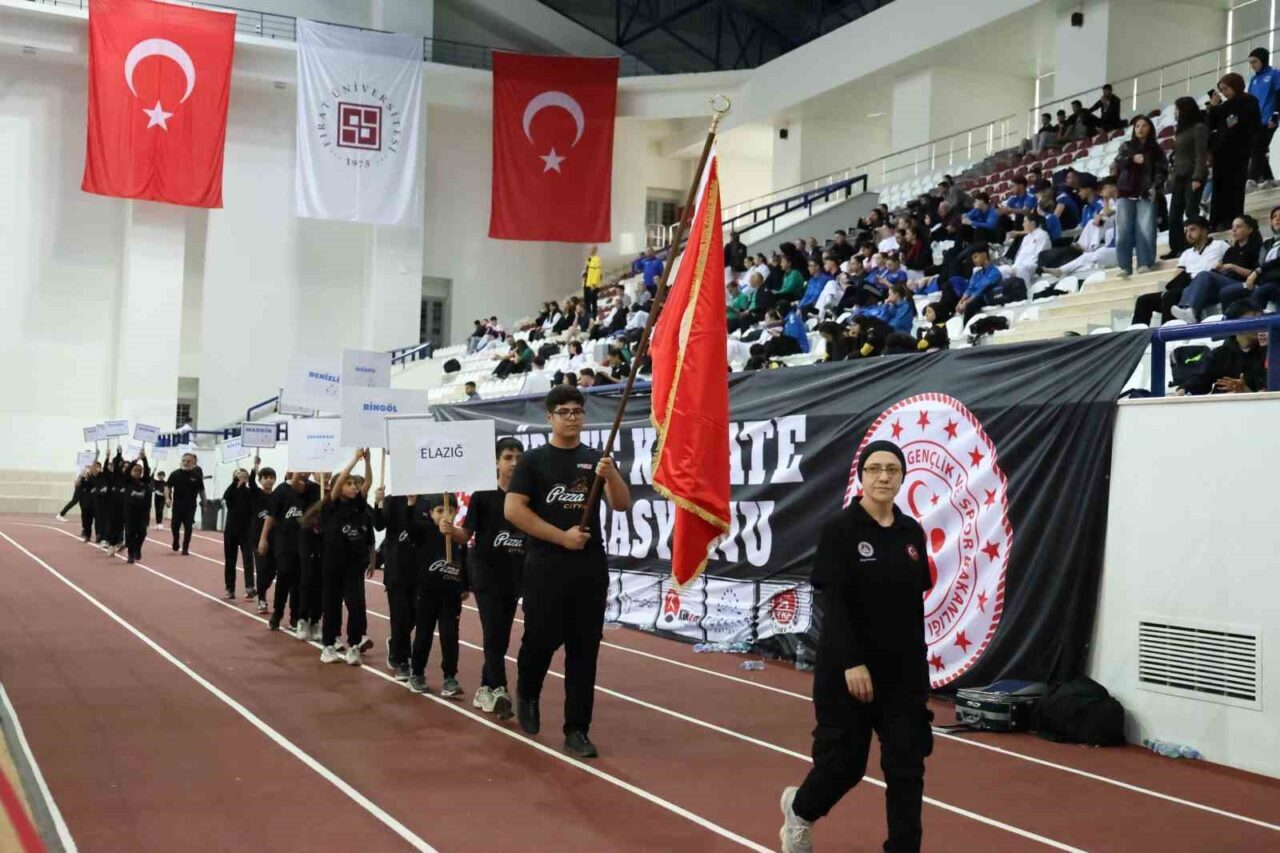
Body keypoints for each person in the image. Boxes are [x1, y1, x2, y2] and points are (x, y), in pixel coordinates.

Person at [779, 440, 933, 853]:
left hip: (902, 675)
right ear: (861, 475)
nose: (884, 477)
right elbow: (835, 603)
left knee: (906, 767)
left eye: (892, 470)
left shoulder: (911, 533)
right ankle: (800, 811)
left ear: (902, 477)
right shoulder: (840, 531)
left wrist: (919, 673)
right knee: (844, 765)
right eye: (875, 469)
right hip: (848, 672)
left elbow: (912, 607)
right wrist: (852, 662)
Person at [506, 386, 631, 759]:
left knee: (584, 648)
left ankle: (577, 729)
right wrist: (561, 537)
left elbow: (622, 504)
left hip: (589, 567)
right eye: (564, 412)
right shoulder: (533, 461)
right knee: (541, 639)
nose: (572, 417)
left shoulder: (596, 459)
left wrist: (611, 476)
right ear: (550, 417)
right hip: (546, 564)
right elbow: (514, 510)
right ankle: (528, 692)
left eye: (577, 411)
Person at [443, 438, 525, 719]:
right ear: (496, 461)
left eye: (518, 457)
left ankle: (484, 687)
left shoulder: (527, 496)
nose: (514, 463)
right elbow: (465, 535)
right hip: (485, 571)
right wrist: (449, 530)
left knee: (502, 634)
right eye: (508, 457)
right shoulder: (483, 495)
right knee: (492, 630)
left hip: (514, 572)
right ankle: (500, 688)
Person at [408, 498, 468, 697]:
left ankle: (450, 677)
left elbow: (464, 562)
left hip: (451, 594)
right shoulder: (425, 533)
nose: (445, 515)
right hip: (427, 593)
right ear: (431, 513)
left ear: (455, 512)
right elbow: (410, 528)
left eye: (449, 510)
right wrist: (410, 504)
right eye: (440, 511)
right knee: (423, 634)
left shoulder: (458, 537)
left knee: (450, 635)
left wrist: (465, 586)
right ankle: (417, 673)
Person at [320, 450, 375, 666]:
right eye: (349, 484)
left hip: (354, 565)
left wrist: (367, 461)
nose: (354, 487)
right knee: (331, 605)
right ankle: (328, 645)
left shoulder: (358, 505)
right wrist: (353, 460)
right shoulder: (331, 506)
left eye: (354, 484)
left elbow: (368, 483)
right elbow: (337, 484)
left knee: (356, 605)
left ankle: (353, 646)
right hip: (333, 564)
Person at [1131, 217, 1227, 326]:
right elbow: (1178, 274)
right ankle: (1137, 333)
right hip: (1185, 287)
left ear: (1204, 231)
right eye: (1186, 231)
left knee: (1171, 296)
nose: (1188, 234)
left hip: (1207, 287)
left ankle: (1170, 332)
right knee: (1144, 300)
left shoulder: (1220, 245)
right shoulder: (1186, 253)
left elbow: (1229, 265)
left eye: (1192, 230)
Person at [1174, 214, 1262, 322]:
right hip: (1227, 281)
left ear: (1250, 229)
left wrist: (1233, 267)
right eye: (1233, 227)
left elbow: (1257, 272)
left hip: (1244, 283)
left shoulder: (1256, 248)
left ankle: (1191, 309)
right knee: (1189, 287)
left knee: (1204, 274)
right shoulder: (1231, 250)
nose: (1234, 230)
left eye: (1239, 226)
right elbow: (1224, 270)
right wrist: (1220, 268)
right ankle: (1186, 313)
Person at [259, 472, 318, 633]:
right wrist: (263, 538)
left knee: (300, 580)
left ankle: (295, 616)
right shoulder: (281, 490)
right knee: (284, 575)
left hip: (305, 542)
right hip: (285, 540)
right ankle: (277, 612)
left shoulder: (313, 489)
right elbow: (271, 516)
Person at [1112, 114, 1167, 277]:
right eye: (1137, 126)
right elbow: (1118, 163)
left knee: (1146, 230)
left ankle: (1145, 262)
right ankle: (1124, 266)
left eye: (1144, 125)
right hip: (1125, 193)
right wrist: (1132, 159)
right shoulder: (1126, 146)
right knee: (1123, 232)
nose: (1140, 129)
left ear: (1150, 128)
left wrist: (1155, 187)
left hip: (1146, 193)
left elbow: (1162, 171)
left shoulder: (1156, 149)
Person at [1210, 72, 1260, 230]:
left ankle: (1233, 220)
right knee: (1220, 187)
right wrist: (1213, 106)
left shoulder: (1248, 100)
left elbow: (1249, 124)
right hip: (1221, 153)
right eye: (1222, 90)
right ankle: (1217, 221)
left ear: (1235, 86)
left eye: (1226, 88)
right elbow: (1211, 124)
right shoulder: (1224, 106)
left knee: (1235, 188)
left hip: (1238, 152)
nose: (1224, 92)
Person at [1165, 97, 1210, 258]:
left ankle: (1195, 245)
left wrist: (1197, 177)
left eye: (1177, 109)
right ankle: (1176, 247)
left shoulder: (1199, 128)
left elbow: (1201, 155)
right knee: (1174, 215)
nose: (1175, 112)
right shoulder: (1181, 130)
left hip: (1193, 175)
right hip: (1179, 176)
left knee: (1191, 211)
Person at [221, 459, 260, 601]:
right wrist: (235, 483)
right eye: (238, 476)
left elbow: (254, 488)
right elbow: (226, 496)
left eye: (244, 476)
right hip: (231, 531)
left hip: (246, 531)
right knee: (230, 561)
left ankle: (249, 587)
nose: (242, 478)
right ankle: (230, 588)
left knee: (248, 559)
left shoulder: (250, 492)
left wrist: (254, 469)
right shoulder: (231, 492)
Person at [1247, 48, 1280, 183]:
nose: (1252, 65)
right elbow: (1250, 100)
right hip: (1255, 121)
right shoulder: (1254, 79)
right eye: (1250, 62)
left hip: (1268, 120)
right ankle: (1269, 179)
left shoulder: (1275, 74)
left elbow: (1279, 95)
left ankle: (1251, 180)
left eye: (1255, 61)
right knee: (1256, 148)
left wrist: (1276, 115)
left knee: (1258, 148)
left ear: (1263, 60)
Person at [166, 452, 205, 555]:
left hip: (190, 505)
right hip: (178, 504)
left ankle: (185, 547)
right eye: (184, 460)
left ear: (193, 462)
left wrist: (204, 503)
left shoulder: (196, 476)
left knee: (188, 526)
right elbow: (168, 486)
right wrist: (167, 498)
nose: (186, 463)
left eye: (188, 461)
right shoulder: (175, 474)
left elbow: (202, 490)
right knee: (175, 525)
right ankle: (176, 540)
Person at [251, 466, 277, 614]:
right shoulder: (256, 494)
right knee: (261, 568)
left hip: (274, 538)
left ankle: (261, 589)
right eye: (265, 478)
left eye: (271, 477)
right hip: (257, 538)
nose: (269, 480)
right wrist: (254, 469)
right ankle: (262, 599)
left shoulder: (277, 496)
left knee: (273, 571)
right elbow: (251, 483)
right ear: (260, 480)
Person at [999, 212, 1051, 286]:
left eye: (1025, 222)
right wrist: (1014, 266)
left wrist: (1019, 267)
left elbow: (1040, 255)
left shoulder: (1043, 235)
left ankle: (1025, 289)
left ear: (1033, 223)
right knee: (1003, 269)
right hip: (1021, 265)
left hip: (1034, 265)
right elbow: (1020, 255)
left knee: (1021, 268)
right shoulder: (1026, 237)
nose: (1023, 224)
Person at [956, 244, 1003, 325]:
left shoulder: (994, 272)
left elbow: (981, 290)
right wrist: (960, 302)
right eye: (972, 258)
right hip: (978, 298)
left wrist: (966, 303)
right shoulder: (977, 274)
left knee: (971, 304)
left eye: (976, 257)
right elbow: (969, 289)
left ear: (984, 254)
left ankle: (966, 328)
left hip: (990, 297)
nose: (974, 260)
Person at [121, 451, 152, 565]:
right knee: (130, 533)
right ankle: (131, 554)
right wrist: (137, 459)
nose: (138, 472)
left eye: (140, 470)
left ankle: (138, 548)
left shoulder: (145, 481)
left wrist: (144, 459)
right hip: (130, 511)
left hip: (143, 512)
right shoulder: (128, 481)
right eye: (136, 470)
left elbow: (147, 470)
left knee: (142, 532)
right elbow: (127, 470)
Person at [56, 454, 97, 523]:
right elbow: (81, 476)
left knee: (83, 502)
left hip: (84, 487)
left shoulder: (88, 468)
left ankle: (86, 517)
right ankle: (60, 514)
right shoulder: (84, 468)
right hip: (80, 486)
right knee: (74, 501)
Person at [79, 459, 102, 542]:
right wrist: (83, 477)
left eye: (97, 467)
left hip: (98, 502)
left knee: (98, 520)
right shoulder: (88, 477)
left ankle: (98, 535)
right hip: (88, 503)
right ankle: (87, 535)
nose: (96, 468)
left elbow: (102, 487)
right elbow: (83, 486)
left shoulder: (102, 477)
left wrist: (96, 490)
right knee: (87, 520)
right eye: (94, 467)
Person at [582, 245, 603, 318]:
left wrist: (594, 283)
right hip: (586, 283)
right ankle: (588, 317)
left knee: (593, 301)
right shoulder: (588, 259)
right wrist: (584, 273)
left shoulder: (597, 259)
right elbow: (587, 269)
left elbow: (598, 272)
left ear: (595, 250)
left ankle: (593, 317)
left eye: (591, 249)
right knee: (586, 302)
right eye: (589, 249)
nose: (589, 251)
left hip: (593, 284)